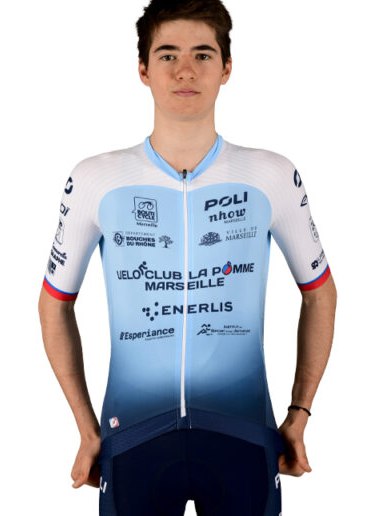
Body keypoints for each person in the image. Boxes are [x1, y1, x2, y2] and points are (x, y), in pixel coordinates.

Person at [38, 1, 337, 514]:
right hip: (132, 436)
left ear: (226, 68)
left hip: (243, 433)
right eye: (167, 55)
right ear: (143, 70)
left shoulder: (269, 175)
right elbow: (54, 303)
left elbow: (320, 292)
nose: (185, 70)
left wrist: (300, 412)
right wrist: (86, 429)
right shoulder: (95, 180)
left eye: (202, 54)